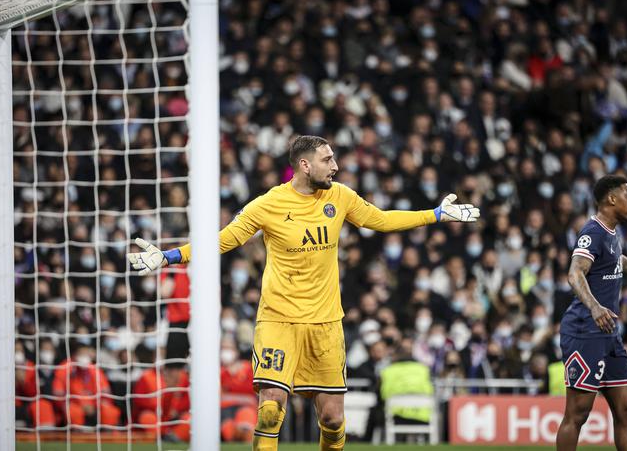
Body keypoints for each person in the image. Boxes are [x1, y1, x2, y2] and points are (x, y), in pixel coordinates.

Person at [127, 135, 479, 451]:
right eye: (328, 160)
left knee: (333, 420)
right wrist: (170, 256)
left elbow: (381, 220)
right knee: (270, 407)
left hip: (326, 324)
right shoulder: (267, 205)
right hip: (278, 320)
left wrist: (435, 215)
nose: (336, 166)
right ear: (304, 164)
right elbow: (223, 240)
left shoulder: (340, 196)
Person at [557, 175, 627, 451]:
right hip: (585, 328)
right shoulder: (593, 231)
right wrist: (595, 307)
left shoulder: (611, 232)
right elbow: (575, 274)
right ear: (611, 199)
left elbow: (615, 259)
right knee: (578, 412)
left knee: (626, 411)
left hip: (608, 332)